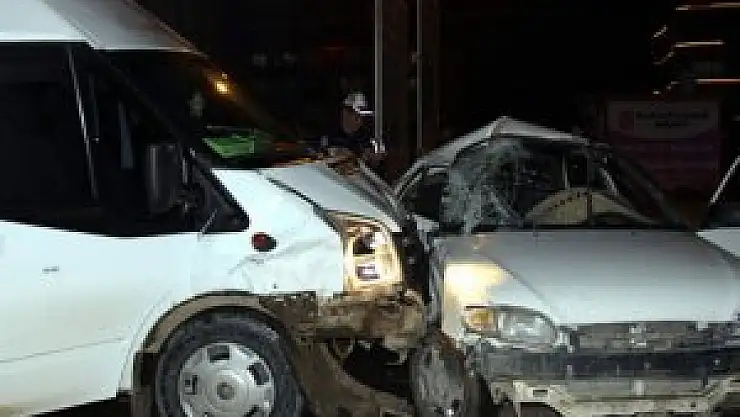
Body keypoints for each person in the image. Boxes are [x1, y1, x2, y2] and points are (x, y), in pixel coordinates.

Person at [321, 91, 386, 170]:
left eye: (362, 117)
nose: (360, 121)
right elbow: (320, 157)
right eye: (356, 117)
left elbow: (374, 163)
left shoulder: (365, 137)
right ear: (345, 113)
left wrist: (375, 159)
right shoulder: (329, 133)